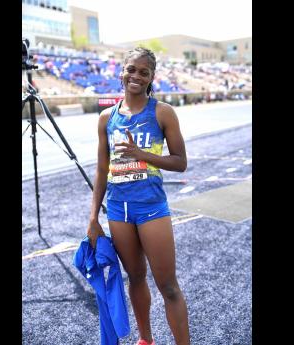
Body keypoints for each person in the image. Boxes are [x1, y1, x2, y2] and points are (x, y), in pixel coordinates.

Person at [87, 47, 190, 345]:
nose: (136, 76)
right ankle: (146, 340)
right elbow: (102, 168)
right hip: (119, 210)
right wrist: (94, 218)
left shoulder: (162, 112)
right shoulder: (107, 118)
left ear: (151, 78)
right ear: (121, 72)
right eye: (131, 69)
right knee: (135, 277)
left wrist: (140, 154)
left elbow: (180, 161)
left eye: (143, 72)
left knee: (168, 286)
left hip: (151, 207)